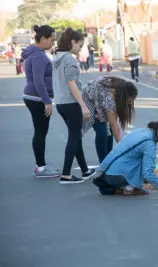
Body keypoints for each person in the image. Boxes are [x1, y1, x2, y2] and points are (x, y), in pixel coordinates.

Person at [93, 120, 158, 196]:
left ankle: (118, 187)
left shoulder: (142, 131)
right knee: (147, 163)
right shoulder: (149, 143)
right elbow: (147, 173)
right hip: (118, 176)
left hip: (105, 173)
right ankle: (130, 187)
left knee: (138, 157)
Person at [53, 28, 95, 185]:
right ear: (72, 42)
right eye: (79, 45)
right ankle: (66, 174)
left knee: (75, 136)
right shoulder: (69, 59)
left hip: (61, 103)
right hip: (71, 103)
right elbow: (71, 83)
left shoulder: (57, 58)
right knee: (74, 138)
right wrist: (83, 105)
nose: (80, 48)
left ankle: (85, 170)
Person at [22, 24, 59, 178]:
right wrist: (47, 102)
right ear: (43, 38)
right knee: (40, 132)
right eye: (51, 39)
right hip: (37, 98)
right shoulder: (38, 55)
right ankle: (41, 167)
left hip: (34, 97)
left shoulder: (34, 52)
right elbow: (38, 80)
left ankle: (41, 166)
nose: (53, 43)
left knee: (40, 131)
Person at [82, 76, 138, 163]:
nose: (129, 103)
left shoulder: (123, 86)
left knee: (109, 131)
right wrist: (122, 147)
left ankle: (109, 158)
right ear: (124, 96)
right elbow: (113, 124)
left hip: (100, 98)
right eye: (128, 101)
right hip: (88, 99)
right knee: (102, 130)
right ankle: (104, 162)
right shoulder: (110, 99)